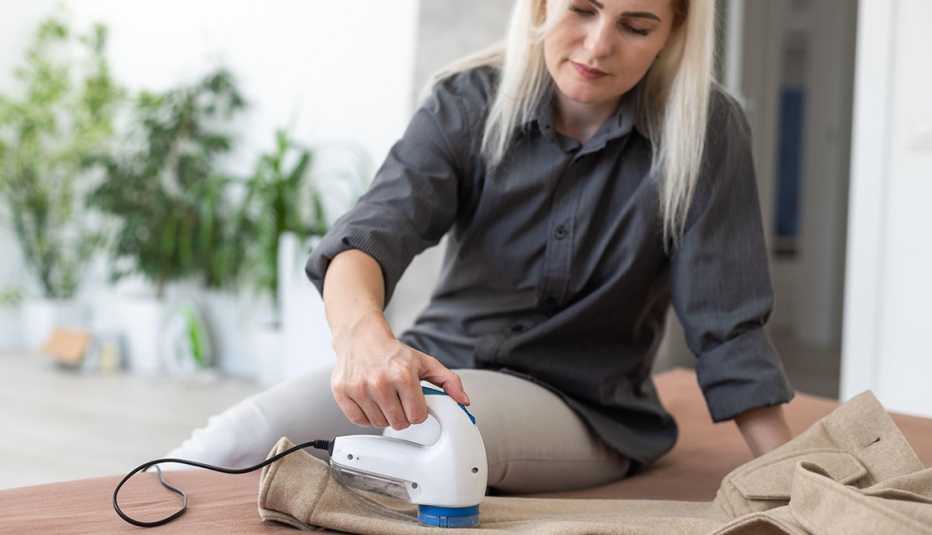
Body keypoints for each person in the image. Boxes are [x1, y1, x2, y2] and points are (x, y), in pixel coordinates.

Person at [167, 0, 795, 493]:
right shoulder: (466, 102)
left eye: (636, 25)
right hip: (443, 361)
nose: (599, 45)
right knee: (240, 438)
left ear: (672, 35)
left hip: (583, 405)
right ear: (544, 3)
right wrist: (363, 338)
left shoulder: (707, 131)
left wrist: (794, 476)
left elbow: (727, 326)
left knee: (430, 442)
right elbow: (370, 235)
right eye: (582, 7)